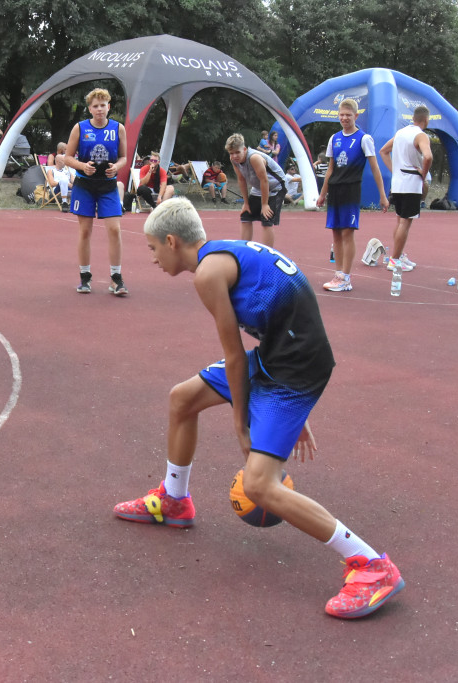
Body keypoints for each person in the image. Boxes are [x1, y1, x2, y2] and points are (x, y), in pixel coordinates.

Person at [115, 197, 405, 618]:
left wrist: (244, 422)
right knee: (183, 399)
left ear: (173, 241)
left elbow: (234, 357)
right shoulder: (225, 253)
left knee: (259, 486)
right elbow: (296, 316)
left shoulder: (209, 273)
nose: (153, 257)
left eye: (152, 248)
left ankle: (372, 566)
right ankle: (175, 499)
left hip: (291, 369)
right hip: (281, 356)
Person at [316, 98, 389, 292]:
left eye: (348, 115)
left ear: (356, 116)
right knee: (336, 233)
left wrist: (383, 195)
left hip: (351, 190)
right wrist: (323, 194)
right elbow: (330, 169)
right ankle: (338, 274)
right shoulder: (334, 138)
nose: (344, 118)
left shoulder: (364, 139)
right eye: (341, 115)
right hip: (335, 191)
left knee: (347, 232)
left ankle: (346, 278)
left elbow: (375, 169)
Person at [63, 88, 128, 296]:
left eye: (103, 105)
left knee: (115, 230)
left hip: (108, 185)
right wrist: (82, 166)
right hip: (85, 185)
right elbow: (67, 157)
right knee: (84, 231)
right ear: (89, 109)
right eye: (95, 106)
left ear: (109, 107)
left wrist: (116, 167)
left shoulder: (118, 128)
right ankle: (85, 277)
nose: (99, 109)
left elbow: (124, 157)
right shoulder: (80, 128)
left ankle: (116, 278)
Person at [379, 105, 434, 272]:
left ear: (413, 118)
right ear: (426, 120)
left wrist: (394, 170)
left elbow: (383, 151)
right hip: (411, 183)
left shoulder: (401, 133)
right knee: (405, 221)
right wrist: (423, 174)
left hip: (398, 182)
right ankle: (394, 260)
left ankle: (398, 255)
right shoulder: (421, 135)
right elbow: (429, 156)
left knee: (399, 219)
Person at [226, 133, 289, 246]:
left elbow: (264, 180)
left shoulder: (254, 158)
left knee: (266, 218)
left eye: (237, 152)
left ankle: (267, 254)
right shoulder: (233, 160)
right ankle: (244, 249)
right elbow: (241, 180)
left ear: (244, 149)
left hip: (276, 186)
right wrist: (246, 203)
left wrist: (264, 204)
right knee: (246, 215)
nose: (234, 156)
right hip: (258, 187)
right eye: (231, 153)